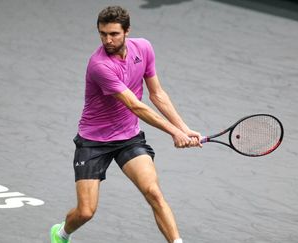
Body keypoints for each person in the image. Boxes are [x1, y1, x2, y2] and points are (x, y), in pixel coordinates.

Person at [50, 5, 201, 243]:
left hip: (128, 138)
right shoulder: (100, 65)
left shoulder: (144, 48)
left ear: (127, 31)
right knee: (86, 212)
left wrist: (183, 128)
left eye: (114, 34)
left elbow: (157, 94)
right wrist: (173, 132)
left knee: (153, 192)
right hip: (94, 142)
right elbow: (136, 106)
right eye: (103, 34)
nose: (107, 40)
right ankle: (61, 233)